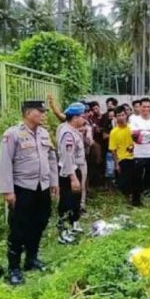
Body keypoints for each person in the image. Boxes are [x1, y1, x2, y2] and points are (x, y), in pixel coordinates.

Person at [0, 100, 58, 286]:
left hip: (42, 186)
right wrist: (7, 191)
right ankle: (14, 268)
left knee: (40, 222)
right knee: (18, 228)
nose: (43, 115)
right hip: (22, 188)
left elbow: (51, 158)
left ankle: (31, 258)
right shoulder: (12, 134)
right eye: (40, 111)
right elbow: (5, 163)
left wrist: (54, 182)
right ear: (28, 112)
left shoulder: (44, 133)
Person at [56, 103, 88, 244]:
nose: (84, 118)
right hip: (69, 171)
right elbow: (67, 157)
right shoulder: (67, 133)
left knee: (75, 200)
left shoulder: (73, 130)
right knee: (66, 201)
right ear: (75, 117)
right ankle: (63, 231)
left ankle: (73, 224)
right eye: (82, 116)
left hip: (76, 169)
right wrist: (73, 178)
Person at [109, 105, 134, 198]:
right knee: (125, 181)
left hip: (134, 156)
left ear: (126, 115)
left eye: (123, 115)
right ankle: (127, 197)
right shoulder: (114, 132)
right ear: (115, 117)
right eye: (119, 115)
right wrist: (116, 164)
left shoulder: (132, 128)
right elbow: (113, 149)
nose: (121, 117)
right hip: (122, 158)